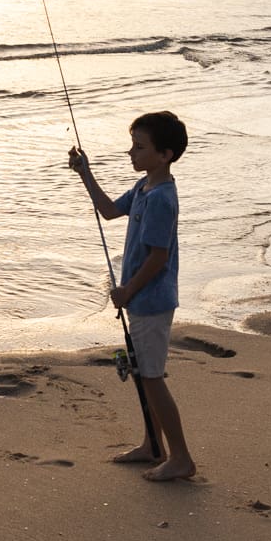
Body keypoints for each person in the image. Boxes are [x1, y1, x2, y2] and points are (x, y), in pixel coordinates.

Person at [69, 111, 195, 483]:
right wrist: (84, 173)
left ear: (165, 155)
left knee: (153, 378)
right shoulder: (142, 190)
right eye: (132, 145)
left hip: (152, 301)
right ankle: (152, 446)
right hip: (141, 300)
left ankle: (182, 458)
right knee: (143, 376)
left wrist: (127, 290)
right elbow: (108, 211)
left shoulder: (161, 199)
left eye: (140, 147)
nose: (131, 153)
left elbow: (159, 257)